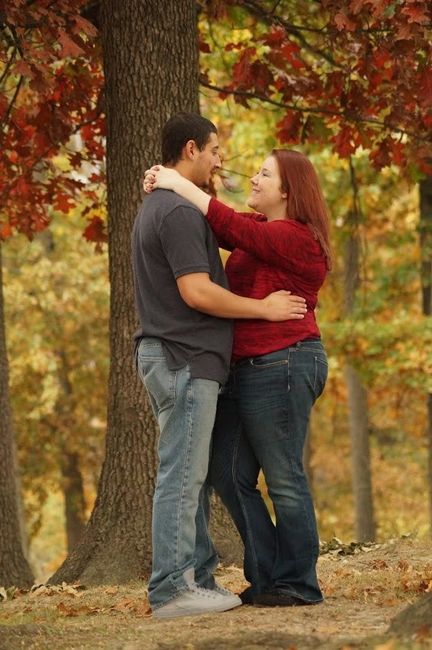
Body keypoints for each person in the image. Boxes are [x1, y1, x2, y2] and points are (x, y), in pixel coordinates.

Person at [132, 113, 308, 619]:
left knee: (193, 472)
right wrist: (263, 308)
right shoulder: (178, 213)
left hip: (182, 357)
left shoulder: (166, 205)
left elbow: (236, 225)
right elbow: (196, 291)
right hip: (184, 357)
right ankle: (170, 589)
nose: (220, 160)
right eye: (214, 150)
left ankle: (197, 578)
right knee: (183, 475)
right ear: (191, 149)